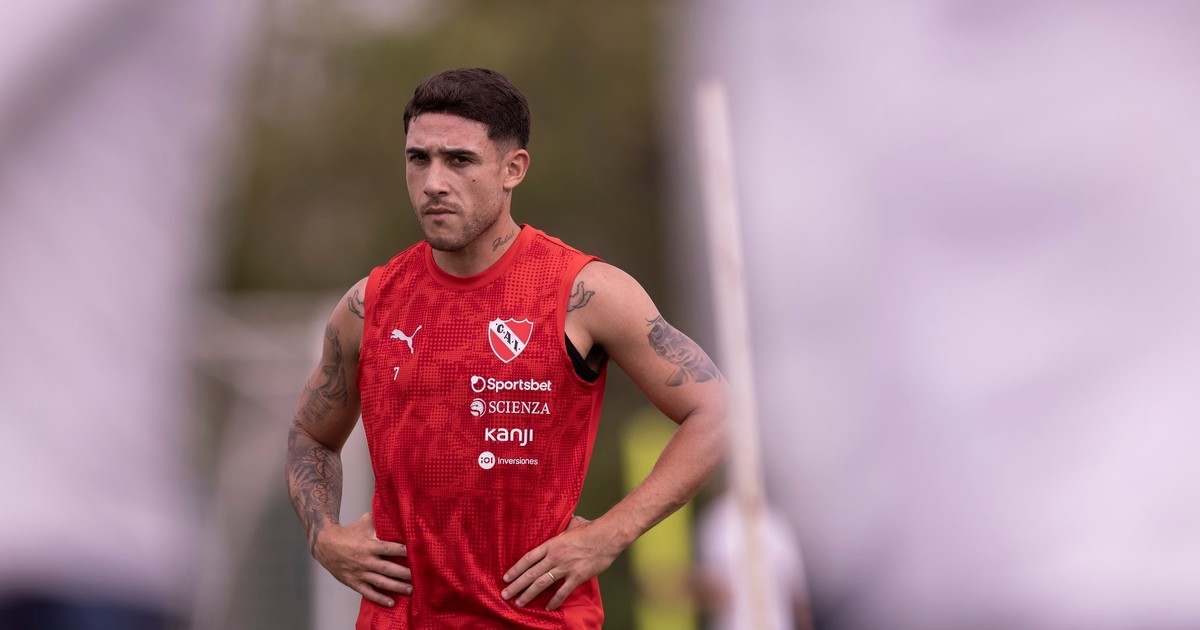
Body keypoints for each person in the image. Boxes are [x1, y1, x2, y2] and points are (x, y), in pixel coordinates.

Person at [285, 67, 728, 629]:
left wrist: (609, 534)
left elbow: (717, 413)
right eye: (418, 158)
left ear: (513, 169)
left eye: (459, 160)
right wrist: (324, 537)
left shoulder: (584, 292)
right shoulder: (368, 305)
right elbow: (311, 435)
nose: (433, 182)